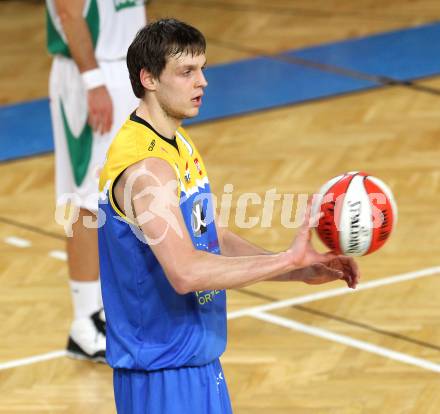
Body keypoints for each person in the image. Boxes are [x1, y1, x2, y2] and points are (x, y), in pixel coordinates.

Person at [98, 18, 360, 413]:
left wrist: (296, 269)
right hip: (162, 379)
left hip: (199, 365)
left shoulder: (178, 143)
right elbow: (185, 272)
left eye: (202, 68)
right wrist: (286, 259)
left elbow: (211, 238)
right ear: (148, 78)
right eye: (187, 72)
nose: (202, 81)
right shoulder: (147, 168)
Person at [46, 0, 146, 362]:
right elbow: (69, 13)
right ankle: (85, 322)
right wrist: (93, 82)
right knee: (88, 198)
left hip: (128, 70)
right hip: (91, 75)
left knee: (128, 192)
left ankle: (111, 309)